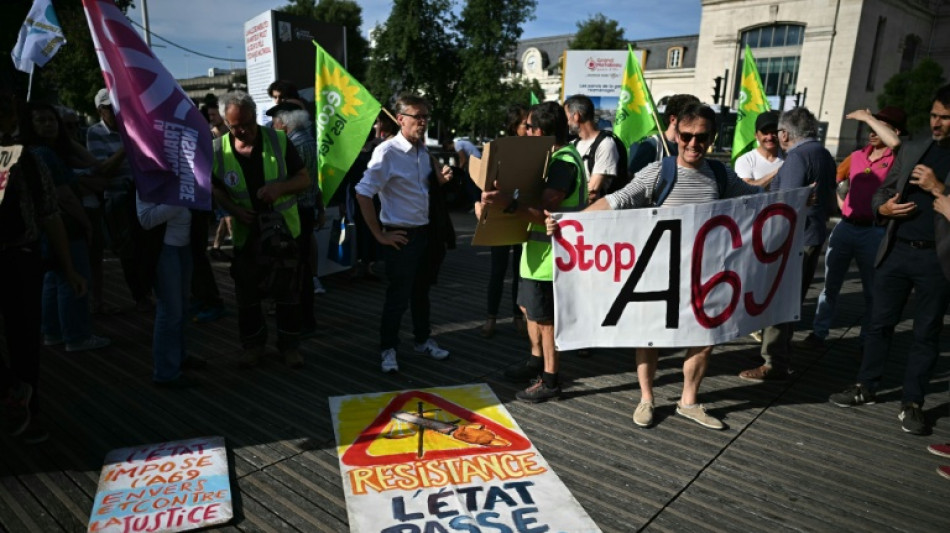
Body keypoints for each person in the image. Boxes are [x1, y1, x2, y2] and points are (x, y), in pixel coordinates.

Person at [548, 103, 760, 428]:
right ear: (676, 135)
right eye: (687, 136)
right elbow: (612, 201)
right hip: (657, 274)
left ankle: (689, 401)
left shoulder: (721, 175)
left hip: (704, 276)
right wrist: (567, 225)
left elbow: (756, 201)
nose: (693, 144)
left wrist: (798, 198)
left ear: (712, 138)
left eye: (701, 137)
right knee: (649, 338)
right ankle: (647, 398)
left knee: (705, 340)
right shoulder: (659, 172)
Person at [829, 85, 950, 436]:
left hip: (937, 259)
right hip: (896, 249)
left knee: (926, 333)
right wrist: (882, 208)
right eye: (933, 115)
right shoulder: (914, 148)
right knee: (878, 323)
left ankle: (913, 403)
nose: (937, 123)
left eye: (945, 117)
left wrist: (938, 187)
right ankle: (866, 386)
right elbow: (884, 189)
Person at [482, 101, 586, 402]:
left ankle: (551, 379)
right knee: (531, 311)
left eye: (529, 127)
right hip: (537, 255)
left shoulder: (563, 162)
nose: (525, 132)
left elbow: (544, 209)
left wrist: (508, 202)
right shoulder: (555, 159)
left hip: (552, 257)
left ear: (540, 132)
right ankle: (535, 363)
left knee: (545, 319)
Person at [1, 92, 86, 443]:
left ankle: (27, 413)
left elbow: (51, 216)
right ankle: (10, 388)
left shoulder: (30, 161)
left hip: (21, 257)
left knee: (25, 339)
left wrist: (69, 268)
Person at [355, 94, 456, 374]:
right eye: (417, 116)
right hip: (400, 235)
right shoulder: (387, 152)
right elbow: (362, 192)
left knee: (421, 293)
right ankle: (388, 349)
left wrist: (441, 179)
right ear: (401, 119)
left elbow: (423, 189)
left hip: (424, 234)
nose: (423, 122)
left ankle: (422, 340)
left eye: (425, 116)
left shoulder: (422, 151)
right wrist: (380, 235)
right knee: (398, 297)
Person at [211, 91, 311, 369]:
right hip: (246, 235)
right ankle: (253, 346)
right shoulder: (217, 150)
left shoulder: (279, 141)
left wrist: (279, 188)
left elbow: (304, 178)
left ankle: (290, 347)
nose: (243, 130)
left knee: (288, 293)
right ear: (225, 123)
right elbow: (215, 187)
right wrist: (232, 210)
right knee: (247, 296)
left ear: (256, 116)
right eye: (235, 126)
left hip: (283, 232)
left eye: (248, 123)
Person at [739, 107, 836, 381]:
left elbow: (785, 203)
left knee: (778, 298)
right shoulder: (823, 154)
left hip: (793, 240)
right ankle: (775, 351)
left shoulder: (796, 157)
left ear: (784, 133)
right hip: (813, 234)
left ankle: (773, 361)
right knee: (792, 298)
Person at [803, 107, 905, 349]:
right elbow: (838, 178)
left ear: (895, 131)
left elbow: (898, 145)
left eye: (878, 126)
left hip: (874, 230)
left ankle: (865, 338)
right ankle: (819, 332)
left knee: (872, 290)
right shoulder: (858, 155)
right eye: (870, 126)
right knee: (830, 286)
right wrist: (843, 201)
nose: (871, 131)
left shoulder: (898, 158)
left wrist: (869, 117)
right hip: (846, 227)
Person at [25, 102, 111, 353]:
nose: (49, 125)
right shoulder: (45, 154)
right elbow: (65, 195)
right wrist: (85, 223)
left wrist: (64, 137)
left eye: (53, 120)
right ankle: (77, 335)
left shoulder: (43, 150)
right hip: (65, 223)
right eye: (41, 120)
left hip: (45, 226)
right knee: (73, 277)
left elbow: (91, 162)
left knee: (54, 277)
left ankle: (53, 331)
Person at [86, 88, 154, 312]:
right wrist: (127, 145)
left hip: (141, 195)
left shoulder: (132, 128)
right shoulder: (95, 133)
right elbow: (102, 169)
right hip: (117, 197)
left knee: (147, 245)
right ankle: (140, 295)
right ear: (100, 110)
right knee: (127, 249)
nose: (114, 111)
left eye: (117, 106)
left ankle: (150, 290)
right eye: (109, 107)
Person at [137, 194, 206, 387]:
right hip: (164, 250)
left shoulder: (184, 170)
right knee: (170, 310)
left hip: (184, 246)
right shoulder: (149, 173)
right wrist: (183, 198)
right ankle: (166, 372)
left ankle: (178, 357)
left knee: (182, 307)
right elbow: (146, 219)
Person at [271, 104, 325, 336]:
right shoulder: (309, 141)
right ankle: (307, 319)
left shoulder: (293, 144)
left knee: (295, 267)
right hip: (308, 208)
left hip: (295, 212)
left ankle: (302, 320)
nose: (273, 126)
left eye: (275, 121)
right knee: (302, 266)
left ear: (284, 122)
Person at [477, 104, 527, 339]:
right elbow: (486, 181)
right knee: (497, 270)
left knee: (520, 270)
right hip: (499, 215)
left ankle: (518, 316)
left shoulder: (534, 149)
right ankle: (491, 317)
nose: (529, 129)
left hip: (520, 214)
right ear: (513, 126)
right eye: (525, 125)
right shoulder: (497, 149)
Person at [564, 94, 620, 200]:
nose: (566, 123)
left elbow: (593, 191)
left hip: (594, 212)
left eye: (567, 118)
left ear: (576, 116)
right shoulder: (573, 145)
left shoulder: (605, 144)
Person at [628, 94, 700, 174]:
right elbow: (634, 179)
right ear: (673, 119)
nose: (695, 122)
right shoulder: (652, 146)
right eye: (690, 118)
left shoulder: (691, 148)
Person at [734, 110, 784, 188]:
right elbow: (746, 189)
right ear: (756, 135)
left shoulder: (789, 158)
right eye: (765, 133)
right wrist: (777, 172)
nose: (770, 137)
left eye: (773, 132)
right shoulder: (746, 160)